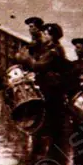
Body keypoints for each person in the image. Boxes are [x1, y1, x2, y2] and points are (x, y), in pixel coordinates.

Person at [20, 22, 69, 155]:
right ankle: (49, 150)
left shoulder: (53, 51)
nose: (43, 35)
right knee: (48, 119)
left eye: (46, 34)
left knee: (51, 119)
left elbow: (39, 66)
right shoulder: (49, 48)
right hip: (48, 87)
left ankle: (52, 152)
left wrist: (27, 58)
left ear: (52, 37)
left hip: (52, 89)